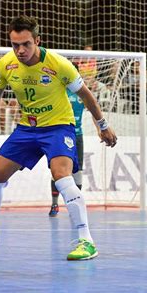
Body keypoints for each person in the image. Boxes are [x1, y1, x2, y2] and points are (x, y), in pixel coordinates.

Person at [0, 16, 117, 261]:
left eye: (26, 44)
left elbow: (86, 95)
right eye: (15, 45)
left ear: (37, 40)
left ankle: (86, 241)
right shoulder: (6, 64)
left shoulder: (59, 64)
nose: (20, 50)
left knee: (62, 176)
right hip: (28, 128)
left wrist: (103, 125)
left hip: (58, 126)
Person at [49, 63, 88, 217]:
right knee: (57, 172)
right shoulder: (59, 91)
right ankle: (54, 204)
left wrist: (100, 128)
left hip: (77, 135)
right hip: (60, 135)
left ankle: (75, 206)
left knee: (77, 172)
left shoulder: (81, 93)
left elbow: (92, 107)